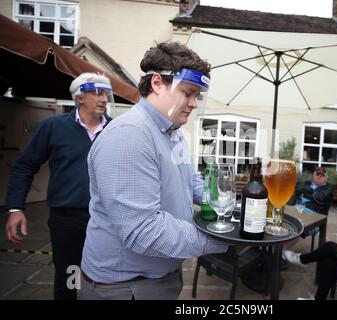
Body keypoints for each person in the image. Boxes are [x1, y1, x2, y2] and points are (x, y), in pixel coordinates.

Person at [79, 40, 229, 300]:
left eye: (197, 95)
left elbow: (189, 182)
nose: (194, 103)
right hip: (126, 286)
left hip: (160, 273)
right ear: (158, 83)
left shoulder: (173, 133)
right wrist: (222, 238)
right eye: (188, 92)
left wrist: (227, 202)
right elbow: (143, 231)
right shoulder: (130, 135)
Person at [4, 72, 113, 300]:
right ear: (79, 98)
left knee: (108, 279)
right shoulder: (53, 127)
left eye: (105, 93)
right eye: (97, 93)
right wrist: (15, 208)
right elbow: (24, 166)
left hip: (108, 218)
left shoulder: (116, 130)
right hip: (67, 219)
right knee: (69, 277)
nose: (103, 98)